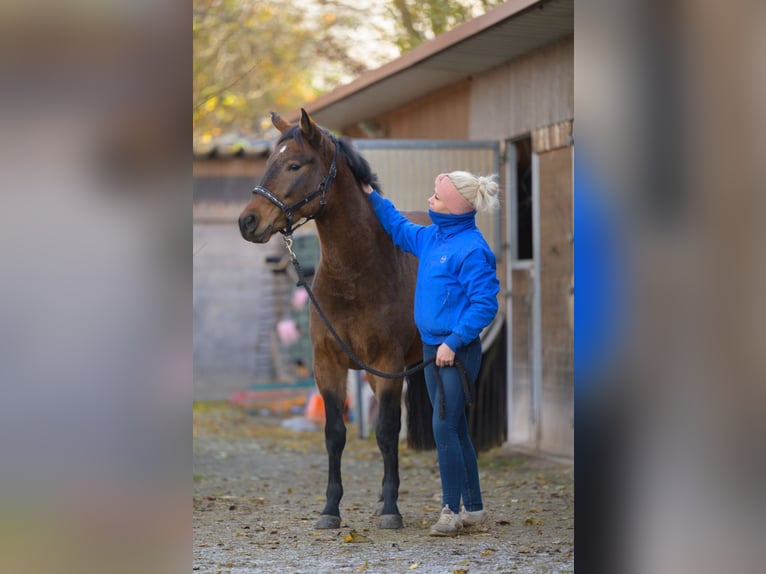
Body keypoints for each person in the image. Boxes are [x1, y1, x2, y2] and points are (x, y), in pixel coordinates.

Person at [362, 171, 500, 536]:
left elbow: (485, 305)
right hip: (430, 348)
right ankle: (474, 508)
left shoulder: (472, 249)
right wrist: (372, 195)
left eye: (436, 199)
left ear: (454, 208)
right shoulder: (433, 238)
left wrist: (453, 342)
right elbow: (398, 227)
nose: (429, 201)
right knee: (455, 429)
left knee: (443, 427)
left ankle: (450, 511)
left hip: (455, 352)